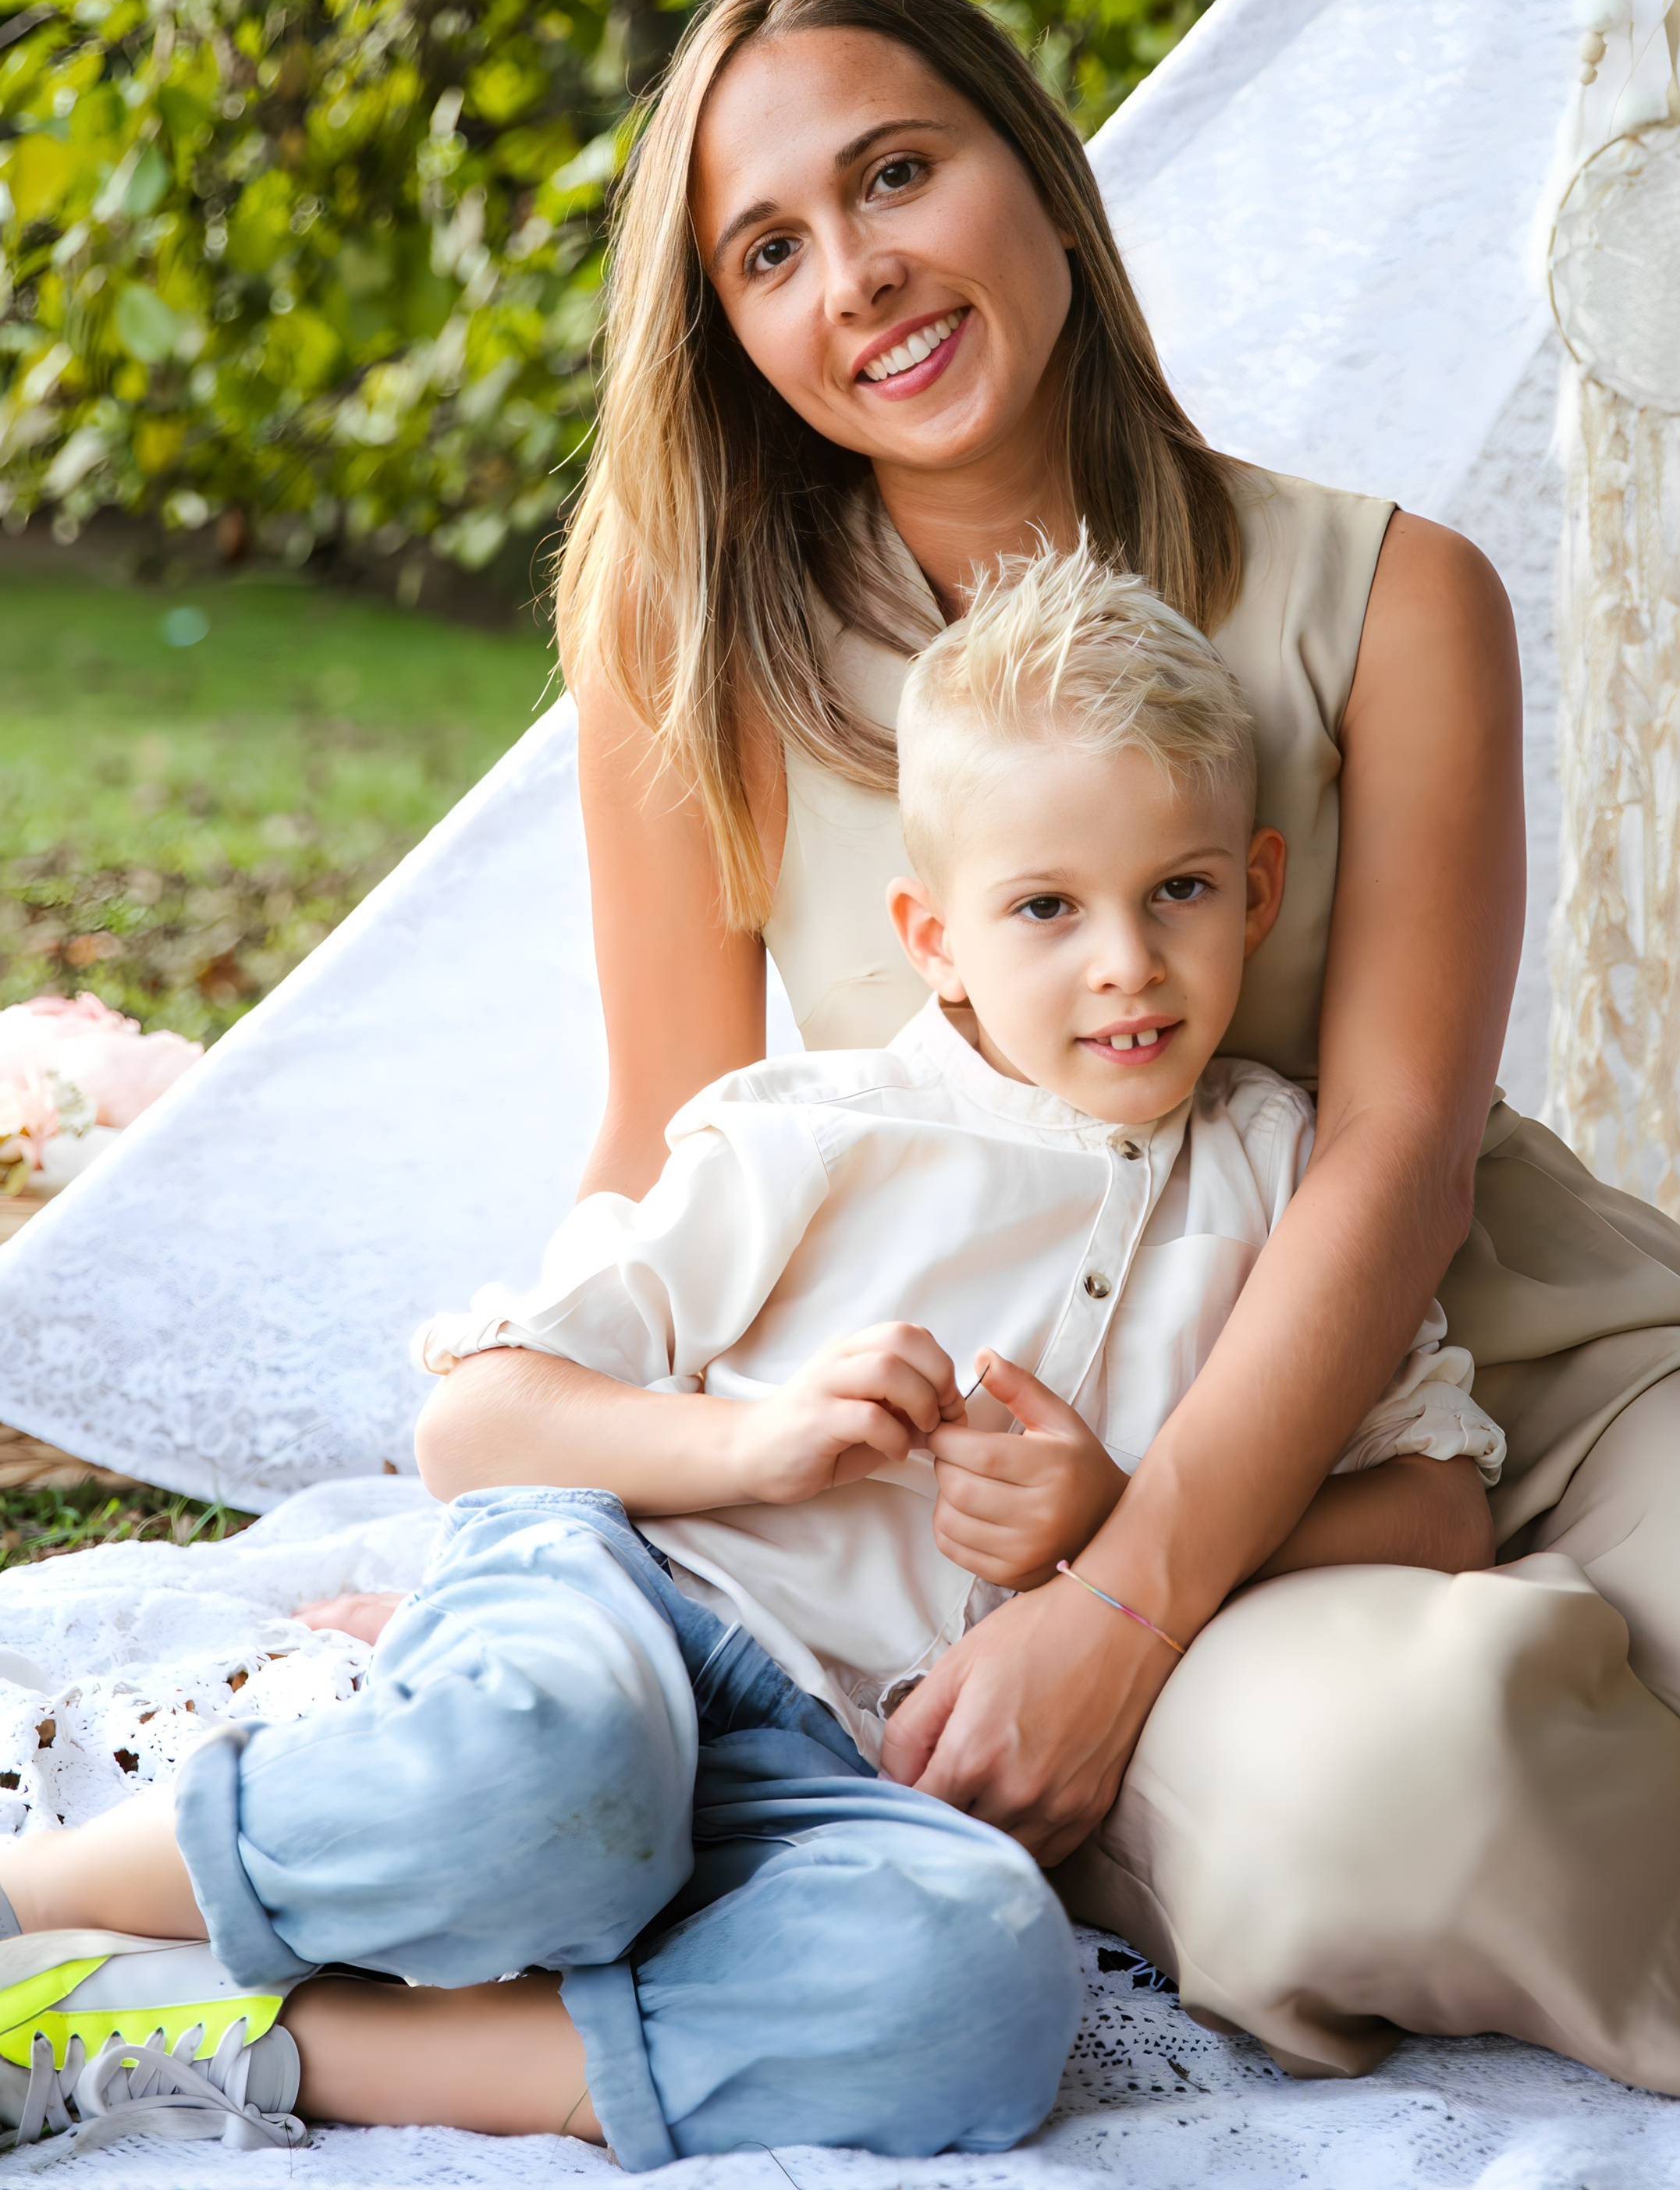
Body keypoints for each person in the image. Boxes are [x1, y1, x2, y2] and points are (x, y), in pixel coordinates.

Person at [0, 546, 1506, 2162]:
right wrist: (758, 1440)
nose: (1124, 960)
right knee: (547, 1770)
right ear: (932, 936)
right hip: (627, 1610)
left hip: (829, 1763)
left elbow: (1439, 1510)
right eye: (1046, 908)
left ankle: (251, 2045)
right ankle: (34, 1901)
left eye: (1179, 892)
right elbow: (474, 1424)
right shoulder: (809, 1136)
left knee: (974, 1980)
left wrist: (1114, 1518)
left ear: (1259, 889)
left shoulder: (1288, 1186)